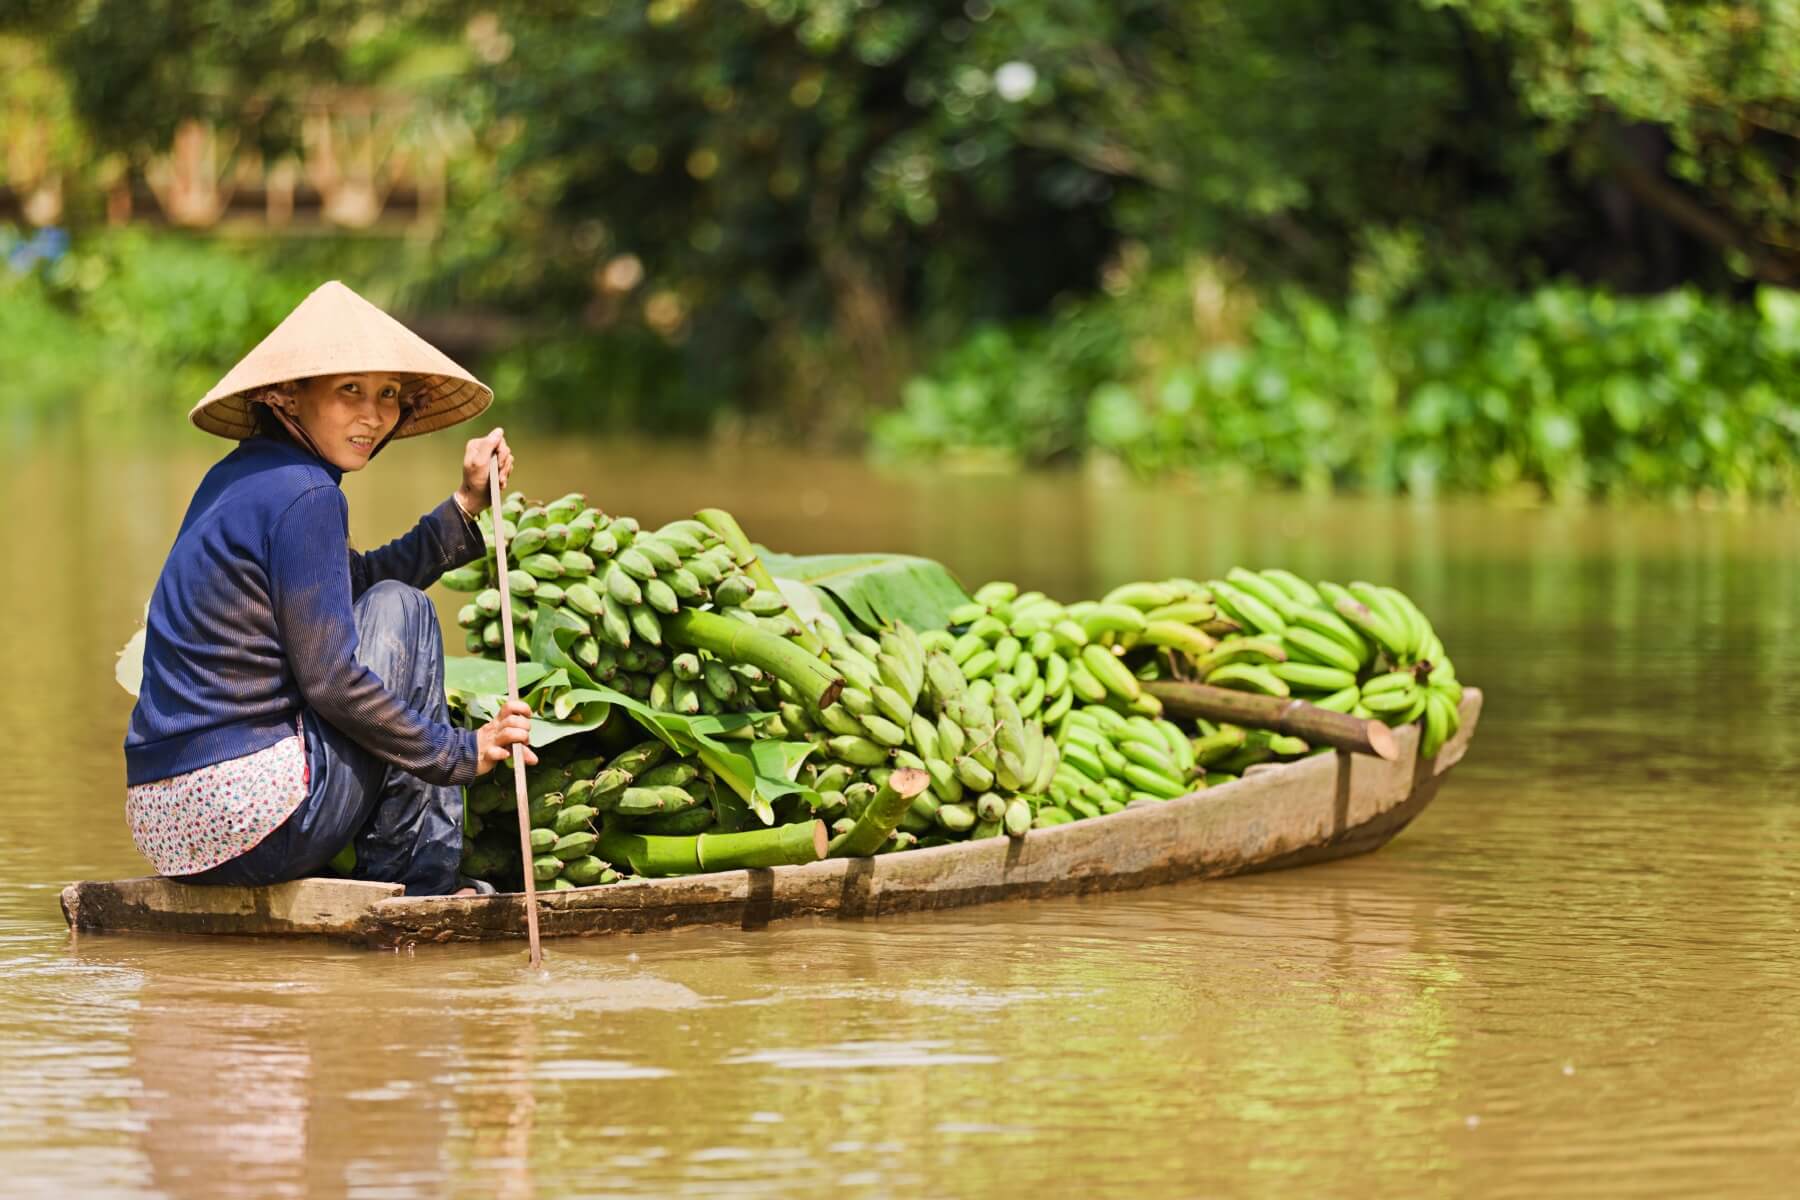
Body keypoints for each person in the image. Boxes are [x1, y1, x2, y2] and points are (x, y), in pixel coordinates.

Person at [123, 280, 538, 897]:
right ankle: (417, 878)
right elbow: (333, 682)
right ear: (286, 395)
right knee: (405, 609)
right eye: (350, 392)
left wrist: (465, 506)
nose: (373, 416)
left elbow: (348, 587)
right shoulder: (308, 494)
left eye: (388, 395)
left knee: (386, 598)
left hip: (165, 822)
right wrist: (458, 751)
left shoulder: (240, 477)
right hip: (243, 817)